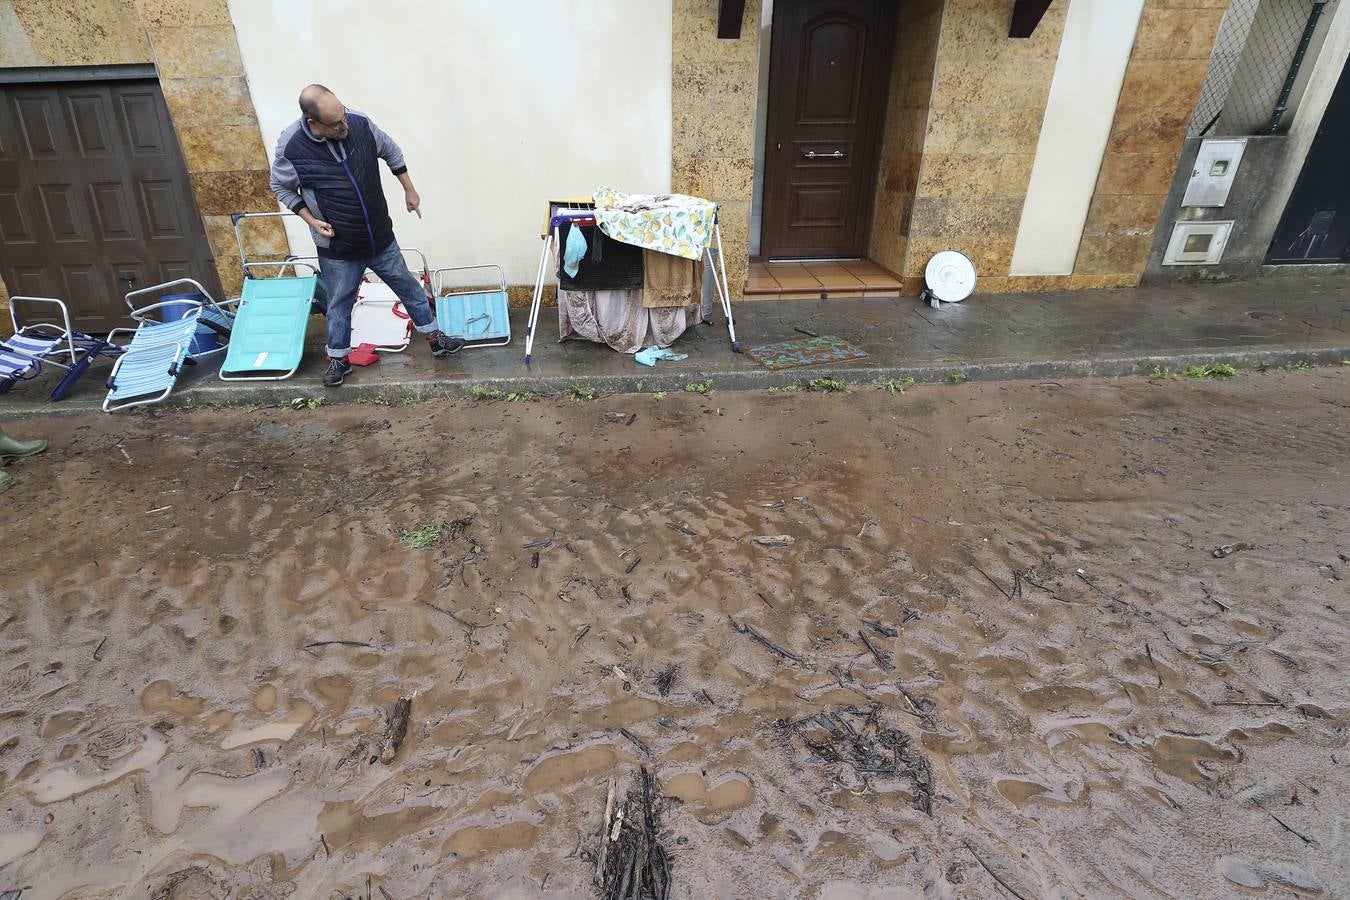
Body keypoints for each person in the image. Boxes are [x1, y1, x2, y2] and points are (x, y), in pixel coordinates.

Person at [269, 84, 464, 387]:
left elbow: (390, 150)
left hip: (378, 236)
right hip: (338, 246)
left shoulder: (358, 123)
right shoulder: (291, 146)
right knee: (339, 302)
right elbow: (280, 186)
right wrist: (311, 220)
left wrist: (409, 190)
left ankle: (436, 339)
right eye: (335, 125)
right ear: (313, 124)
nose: (344, 126)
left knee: (407, 285)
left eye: (343, 115)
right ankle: (338, 359)